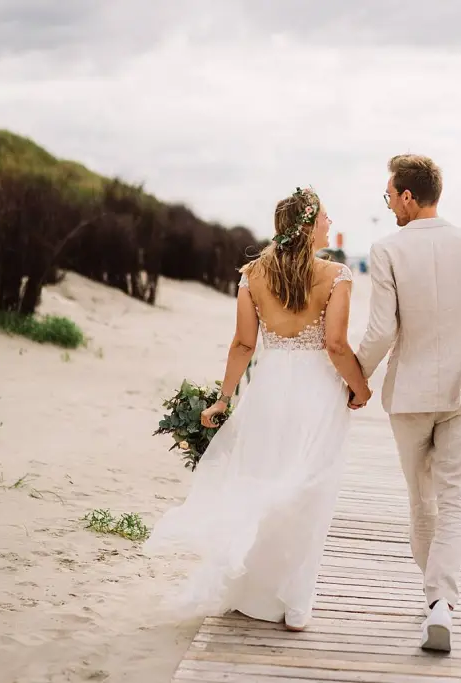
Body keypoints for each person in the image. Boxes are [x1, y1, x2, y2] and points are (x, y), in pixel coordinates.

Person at [143, 187, 372, 631]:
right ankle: (296, 602)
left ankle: (252, 591)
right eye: (324, 216)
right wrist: (359, 388)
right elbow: (337, 345)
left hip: (268, 390)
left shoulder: (252, 275)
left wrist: (225, 397)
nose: (329, 222)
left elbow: (244, 343)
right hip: (318, 392)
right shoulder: (338, 275)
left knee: (265, 477)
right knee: (309, 490)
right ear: (308, 226)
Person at [356, 154, 461, 652]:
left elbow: (381, 331)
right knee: (455, 501)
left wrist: (356, 378)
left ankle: (435, 602)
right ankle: (441, 603)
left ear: (408, 197)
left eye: (389, 195)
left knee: (423, 501)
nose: (388, 204)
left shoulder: (387, 250)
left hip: (410, 397)